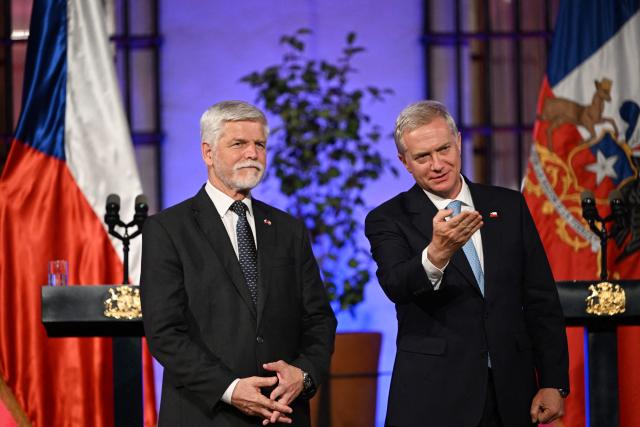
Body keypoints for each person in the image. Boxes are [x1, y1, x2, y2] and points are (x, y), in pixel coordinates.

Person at [365, 100, 569, 427]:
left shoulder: (508, 205)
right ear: (405, 162)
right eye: (422, 157)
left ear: (459, 142)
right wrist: (437, 253)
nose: (437, 164)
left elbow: (540, 299)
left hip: (511, 392)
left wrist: (553, 381)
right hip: (435, 396)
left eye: (444, 149)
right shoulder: (389, 218)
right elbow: (396, 285)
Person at [141, 100, 337, 426]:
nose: (252, 153)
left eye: (259, 144)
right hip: (206, 414)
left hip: (282, 414)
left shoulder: (289, 230)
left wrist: (303, 375)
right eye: (238, 144)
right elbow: (164, 333)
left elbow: (319, 320)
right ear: (207, 153)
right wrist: (229, 389)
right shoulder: (167, 230)